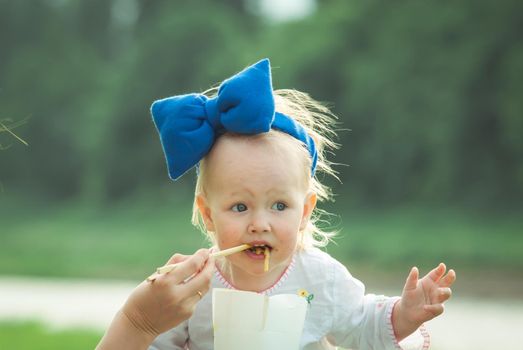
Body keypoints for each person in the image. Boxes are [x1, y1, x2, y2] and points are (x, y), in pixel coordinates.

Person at [98, 58, 456, 350]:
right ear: (208, 214)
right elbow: (155, 343)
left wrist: (406, 313)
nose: (259, 224)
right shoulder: (193, 287)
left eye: (279, 206)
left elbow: (362, 326)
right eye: (240, 207)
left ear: (305, 211)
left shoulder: (320, 277)